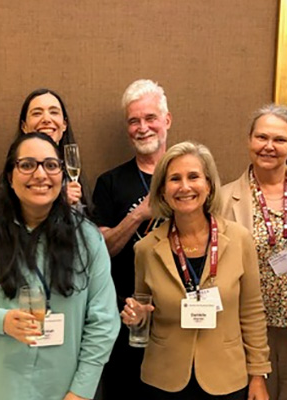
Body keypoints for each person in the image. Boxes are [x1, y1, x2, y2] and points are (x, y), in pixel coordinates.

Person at [0, 132, 120, 400]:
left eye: (50, 164)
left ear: (62, 174)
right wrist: (2, 321)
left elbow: (104, 321)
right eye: (27, 165)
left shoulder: (88, 237)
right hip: (4, 387)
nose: (40, 174)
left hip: (67, 389)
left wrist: (81, 390)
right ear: (10, 176)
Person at [122, 141, 270, 399]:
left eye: (193, 177)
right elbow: (143, 310)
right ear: (163, 191)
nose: (185, 187)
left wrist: (258, 375)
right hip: (164, 379)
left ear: (209, 185)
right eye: (174, 179)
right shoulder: (146, 249)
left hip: (225, 377)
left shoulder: (239, 240)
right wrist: (137, 317)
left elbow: (252, 312)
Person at [219, 105, 287, 400]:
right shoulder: (224, 199)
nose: (268, 146)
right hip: (248, 324)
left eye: (279, 139)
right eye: (261, 137)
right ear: (249, 140)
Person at [93, 79, 171, 397]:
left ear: (167, 120)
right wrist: (139, 214)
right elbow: (102, 250)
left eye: (150, 118)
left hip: (178, 318)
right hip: (125, 319)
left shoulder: (188, 176)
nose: (142, 127)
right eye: (133, 121)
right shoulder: (110, 182)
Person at [17, 88, 85, 207]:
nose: (46, 120)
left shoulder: (72, 169)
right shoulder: (16, 169)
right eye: (37, 113)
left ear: (64, 125)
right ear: (24, 126)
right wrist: (59, 201)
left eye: (54, 112)